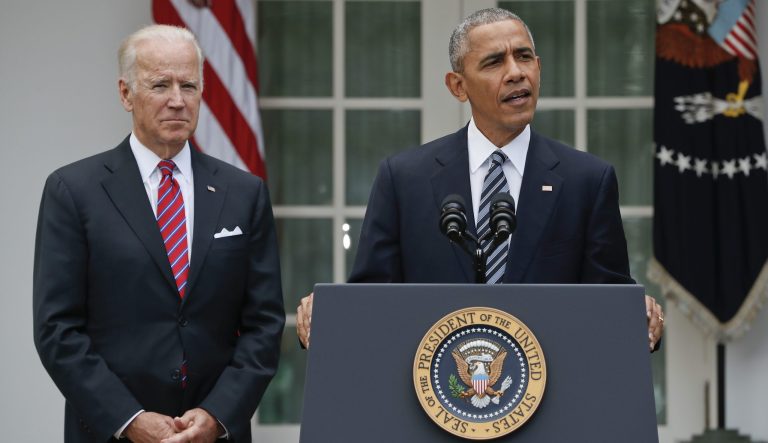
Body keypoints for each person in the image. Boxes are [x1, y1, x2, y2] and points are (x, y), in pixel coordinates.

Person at [297, 8, 664, 350]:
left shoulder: (588, 180)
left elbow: (609, 302)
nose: (516, 72)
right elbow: (371, 299)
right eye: (494, 62)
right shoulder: (404, 179)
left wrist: (637, 314)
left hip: (552, 387)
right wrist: (330, 313)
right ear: (458, 86)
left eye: (524, 57)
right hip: (434, 388)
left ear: (538, 68)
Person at [33, 25, 284, 443]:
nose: (177, 100)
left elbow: (264, 324)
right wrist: (129, 419)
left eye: (189, 85)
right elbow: (57, 330)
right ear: (126, 93)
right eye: (160, 85)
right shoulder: (73, 191)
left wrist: (217, 414)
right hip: (111, 432)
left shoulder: (245, 193)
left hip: (212, 433)